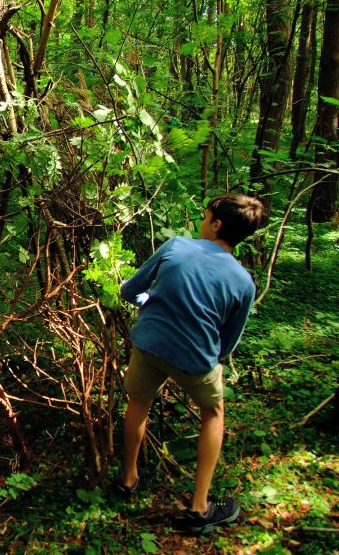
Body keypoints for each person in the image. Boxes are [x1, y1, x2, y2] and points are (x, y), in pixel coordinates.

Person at [115, 194, 264, 535]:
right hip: (195, 359)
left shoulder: (177, 246)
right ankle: (199, 507)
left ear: (217, 224)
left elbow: (130, 292)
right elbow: (229, 342)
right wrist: (209, 356)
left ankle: (128, 478)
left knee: (138, 403)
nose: (202, 221)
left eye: (206, 215)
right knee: (213, 412)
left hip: (149, 344)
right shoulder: (243, 281)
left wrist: (148, 303)